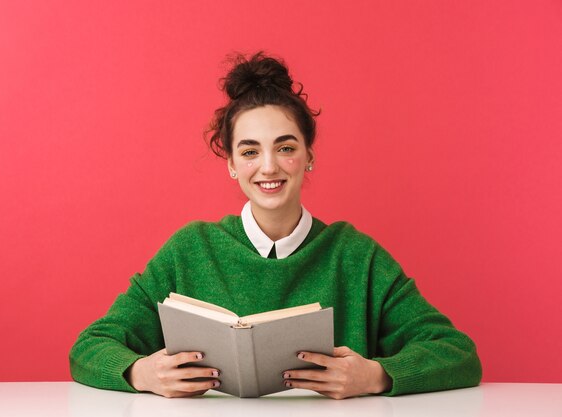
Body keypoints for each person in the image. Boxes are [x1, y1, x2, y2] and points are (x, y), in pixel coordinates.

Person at [69, 51, 482, 399]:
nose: (268, 167)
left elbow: (458, 354)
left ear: (308, 156)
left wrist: (377, 376)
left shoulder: (356, 255)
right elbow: (89, 347)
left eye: (285, 147)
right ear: (231, 164)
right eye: (250, 151)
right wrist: (139, 374)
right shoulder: (189, 250)